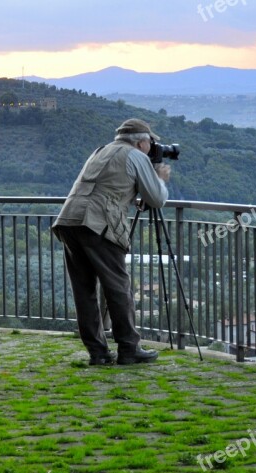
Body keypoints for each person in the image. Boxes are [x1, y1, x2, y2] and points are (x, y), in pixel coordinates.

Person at [52, 118, 171, 365]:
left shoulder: (101, 150)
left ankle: (98, 352)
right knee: (119, 286)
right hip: (97, 224)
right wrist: (158, 177)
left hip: (70, 219)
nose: (152, 147)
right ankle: (129, 348)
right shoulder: (136, 156)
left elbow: (110, 187)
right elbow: (158, 199)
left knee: (84, 290)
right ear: (141, 142)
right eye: (150, 142)